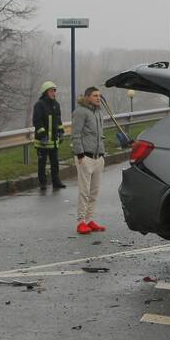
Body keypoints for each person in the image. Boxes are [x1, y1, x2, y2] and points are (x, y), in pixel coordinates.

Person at [72, 86, 106, 235]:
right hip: (85, 156)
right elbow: (76, 134)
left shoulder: (99, 112)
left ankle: (90, 219)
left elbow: (100, 134)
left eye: (99, 95)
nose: (98, 98)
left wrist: (103, 154)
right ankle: (81, 222)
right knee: (84, 191)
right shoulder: (80, 112)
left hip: (98, 156)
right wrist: (80, 154)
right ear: (87, 97)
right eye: (94, 95)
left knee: (94, 191)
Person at [33, 81, 66, 190]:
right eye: (51, 91)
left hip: (53, 142)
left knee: (55, 163)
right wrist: (43, 135)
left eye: (54, 91)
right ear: (45, 92)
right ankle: (43, 183)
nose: (53, 93)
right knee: (42, 164)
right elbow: (37, 122)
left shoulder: (56, 104)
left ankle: (56, 182)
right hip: (42, 142)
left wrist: (61, 132)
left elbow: (59, 120)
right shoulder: (39, 105)